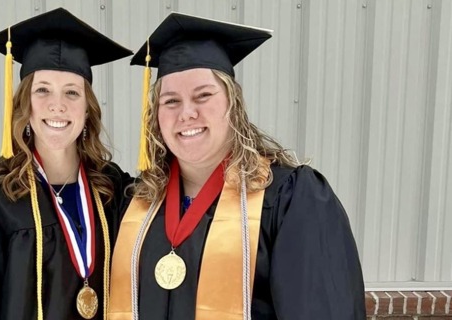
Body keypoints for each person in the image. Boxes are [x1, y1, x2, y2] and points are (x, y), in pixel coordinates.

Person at [108, 12, 366, 320]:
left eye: (203, 95)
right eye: (171, 101)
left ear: (233, 104)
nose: (187, 113)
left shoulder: (289, 200)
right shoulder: (137, 202)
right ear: (156, 116)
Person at [0, 8, 134, 320]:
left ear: (88, 109)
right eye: (43, 90)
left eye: (72, 92)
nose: (58, 105)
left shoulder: (112, 187)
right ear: (25, 104)